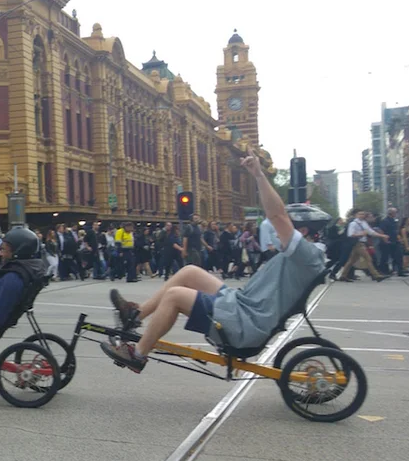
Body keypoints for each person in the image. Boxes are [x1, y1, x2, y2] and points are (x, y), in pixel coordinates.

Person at [103, 148, 326, 372]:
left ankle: (138, 354)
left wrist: (259, 175)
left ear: (303, 231)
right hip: (242, 306)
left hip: (246, 323)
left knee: (174, 296)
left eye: (286, 229)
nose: (276, 232)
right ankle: (135, 315)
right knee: (189, 271)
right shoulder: (304, 256)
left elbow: (277, 216)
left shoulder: (306, 255)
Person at [338, 211, 388, 282]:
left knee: (351, 261)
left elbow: (371, 232)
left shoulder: (364, 223)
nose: (362, 215)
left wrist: (382, 235)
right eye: (360, 214)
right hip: (358, 243)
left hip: (361, 243)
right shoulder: (353, 224)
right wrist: (361, 234)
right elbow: (350, 234)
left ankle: (343, 276)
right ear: (355, 215)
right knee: (368, 259)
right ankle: (376, 275)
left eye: (363, 214)